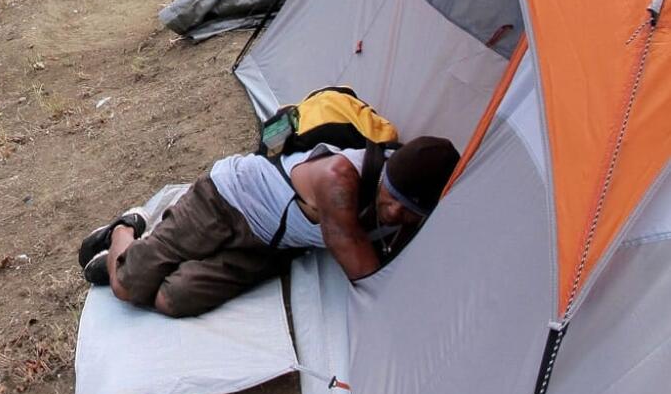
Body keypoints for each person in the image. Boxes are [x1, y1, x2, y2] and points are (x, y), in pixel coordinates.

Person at [78, 136, 460, 318]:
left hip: (267, 245)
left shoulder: (409, 204)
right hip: (227, 200)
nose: (393, 214)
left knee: (171, 300)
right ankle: (126, 229)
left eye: (408, 211)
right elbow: (368, 276)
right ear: (386, 172)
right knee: (127, 286)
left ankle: (140, 253)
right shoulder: (340, 177)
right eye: (390, 198)